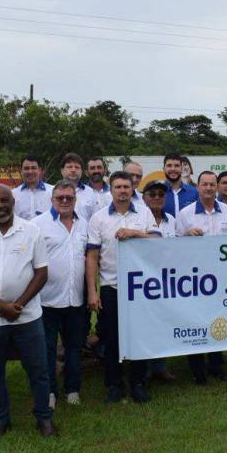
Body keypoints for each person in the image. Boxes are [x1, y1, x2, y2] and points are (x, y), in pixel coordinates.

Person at [0, 185, 57, 439]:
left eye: (4, 200)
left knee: (38, 369)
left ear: (13, 201)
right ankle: (0, 420)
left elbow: (41, 272)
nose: (0, 206)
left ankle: (44, 418)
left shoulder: (31, 230)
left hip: (27, 315)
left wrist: (19, 304)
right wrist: (0, 305)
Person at [86, 171, 158, 403]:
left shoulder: (144, 213)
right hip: (111, 287)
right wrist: (92, 291)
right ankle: (114, 385)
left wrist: (135, 233)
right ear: (111, 190)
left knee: (140, 337)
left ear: (132, 189)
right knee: (111, 339)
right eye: (117, 187)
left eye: (126, 187)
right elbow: (92, 257)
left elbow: (158, 241)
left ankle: (138, 383)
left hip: (141, 287)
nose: (122, 191)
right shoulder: (98, 218)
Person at [176, 171, 227, 383]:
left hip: (221, 279)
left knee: (217, 320)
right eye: (205, 184)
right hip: (195, 280)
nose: (209, 188)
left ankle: (216, 366)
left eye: (212, 184)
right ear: (198, 187)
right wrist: (186, 235)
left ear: (216, 187)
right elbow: (173, 246)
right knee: (196, 322)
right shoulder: (185, 214)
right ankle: (197, 369)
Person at [33, 182, 89, 408]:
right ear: (52, 199)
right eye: (60, 197)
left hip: (75, 298)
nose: (65, 201)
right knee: (46, 349)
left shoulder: (84, 224)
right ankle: (50, 392)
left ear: (75, 200)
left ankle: (73, 389)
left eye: (69, 197)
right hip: (47, 299)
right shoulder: (38, 224)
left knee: (74, 347)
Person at [141, 179, 177, 382]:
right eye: (152, 194)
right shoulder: (138, 219)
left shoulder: (171, 220)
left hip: (167, 281)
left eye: (161, 195)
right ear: (144, 197)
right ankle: (144, 369)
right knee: (146, 326)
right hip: (144, 282)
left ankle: (160, 366)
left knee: (163, 324)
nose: (157, 198)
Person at [12, 155, 53, 220]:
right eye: (26, 168)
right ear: (21, 171)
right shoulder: (13, 194)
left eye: (33, 168)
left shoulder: (53, 192)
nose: (30, 171)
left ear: (39, 170)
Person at [60, 152, 98, 221]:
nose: (73, 170)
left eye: (77, 167)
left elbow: (95, 218)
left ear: (81, 172)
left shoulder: (90, 192)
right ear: (62, 171)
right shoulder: (52, 192)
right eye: (69, 167)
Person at [162, 152, 198, 217]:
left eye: (176, 166)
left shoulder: (194, 192)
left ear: (181, 169)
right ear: (164, 169)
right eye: (169, 165)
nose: (173, 169)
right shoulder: (158, 193)